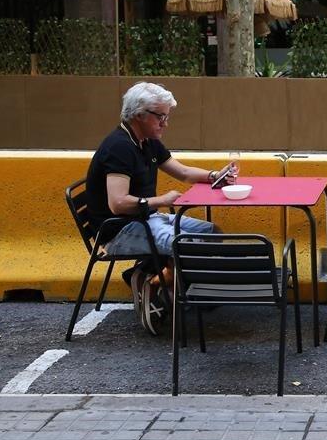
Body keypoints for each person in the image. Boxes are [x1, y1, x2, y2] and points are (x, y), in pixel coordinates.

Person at [86, 81, 233, 334]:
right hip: (118, 230)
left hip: (145, 218)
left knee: (211, 233)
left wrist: (214, 175)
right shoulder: (119, 147)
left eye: (167, 117)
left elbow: (183, 172)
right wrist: (161, 201)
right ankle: (155, 286)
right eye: (161, 117)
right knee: (184, 244)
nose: (165, 123)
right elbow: (118, 203)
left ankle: (149, 278)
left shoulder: (147, 140)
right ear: (140, 115)